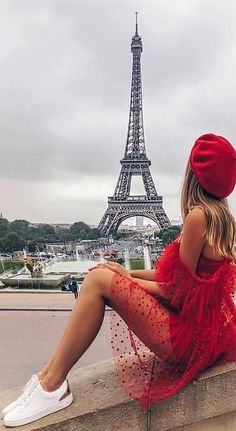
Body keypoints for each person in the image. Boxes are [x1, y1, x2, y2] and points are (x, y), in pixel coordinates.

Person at [2, 133, 236, 427]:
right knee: (104, 275)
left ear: (193, 173)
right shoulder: (220, 216)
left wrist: (125, 280)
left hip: (187, 341)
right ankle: (47, 377)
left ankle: (52, 386)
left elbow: (176, 291)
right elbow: (175, 277)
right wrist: (126, 272)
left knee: (98, 280)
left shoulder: (197, 217)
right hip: (203, 335)